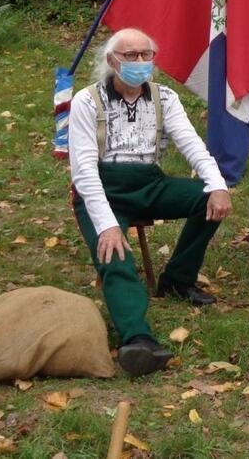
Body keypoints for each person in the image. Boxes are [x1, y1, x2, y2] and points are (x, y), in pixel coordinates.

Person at [69, 28, 233, 376]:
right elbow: (83, 170)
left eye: (146, 55)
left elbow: (191, 144)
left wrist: (217, 184)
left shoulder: (165, 98)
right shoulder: (87, 100)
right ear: (112, 61)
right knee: (114, 256)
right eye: (130, 56)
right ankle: (137, 340)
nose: (140, 62)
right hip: (103, 190)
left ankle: (177, 278)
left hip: (150, 182)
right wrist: (109, 226)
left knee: (208, 200)